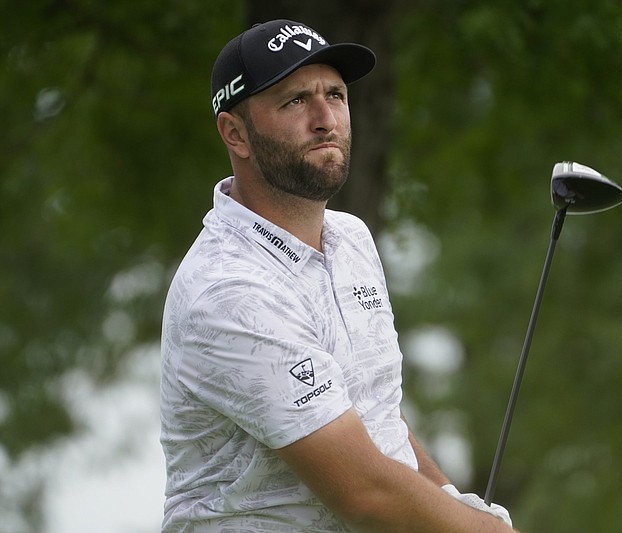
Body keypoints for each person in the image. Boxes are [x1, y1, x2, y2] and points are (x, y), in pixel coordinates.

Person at [160, 19, 518, 533]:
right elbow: (367, 494)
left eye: (336, 95)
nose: (326, 119)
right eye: (295, 101)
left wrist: (453, 499)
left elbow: (378, 417)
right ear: (234, 133)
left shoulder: (351, 238)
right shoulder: (227, 288)